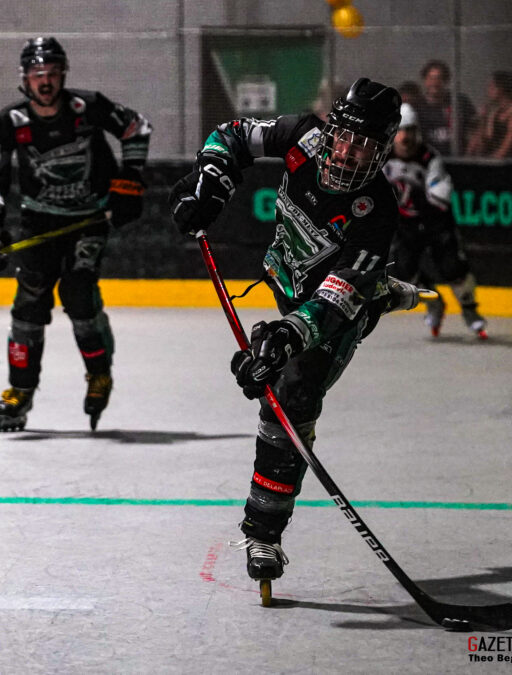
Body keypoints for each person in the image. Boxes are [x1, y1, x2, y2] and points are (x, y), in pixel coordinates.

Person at [170, 78, 422, 586]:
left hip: (329, 309)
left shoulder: (376, 210)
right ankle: (384, 290)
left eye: (365, 146)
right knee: (297, 358)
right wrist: (211, 182)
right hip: (289, 280)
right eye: (346, 137)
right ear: (332, 129)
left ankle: (264, 532)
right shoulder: (303, 138)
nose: (349, 154)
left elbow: (331, 302)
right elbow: (233, 134)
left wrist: (284, 338)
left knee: (291, 400)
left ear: (382, 151)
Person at [0, 37, 152, 432]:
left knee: (78, 295)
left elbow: (137, 128)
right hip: (38, 222)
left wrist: (129, 178)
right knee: (28, 306)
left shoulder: (86, 107)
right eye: (38, 75)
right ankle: (20, 390)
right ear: (25, 79)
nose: (46, 82)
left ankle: (99, 374)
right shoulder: (11, 121)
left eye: (52, 74)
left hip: (87, 221)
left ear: (63, 75)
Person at [385, 103, 488, 339]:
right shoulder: (382, 158)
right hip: (404, 226)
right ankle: (434, 302)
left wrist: (422, 192)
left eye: (410, 130)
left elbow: (440, 200)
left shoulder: (430, 158)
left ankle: (470, 311)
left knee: (453, 268)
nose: (405, 136)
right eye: (400, 130)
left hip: (436, 224)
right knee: (401, 274)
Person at [415, 60, 477, 156]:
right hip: (428, 160)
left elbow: (475, 127)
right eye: (431, 78)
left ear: (446, 80)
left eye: (439, 78)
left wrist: (470, 151)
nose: (435, 83)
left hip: (458, 159)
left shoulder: (460, 102)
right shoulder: (417, 106)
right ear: (425, 80)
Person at [466, 71, 512, 158]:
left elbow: (505, 149)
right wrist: (482, 121)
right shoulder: (493, 112)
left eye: (491, 86)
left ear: (500, 89)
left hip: (511, 164)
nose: (488, 90)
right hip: (492, 161)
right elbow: (481, 144)